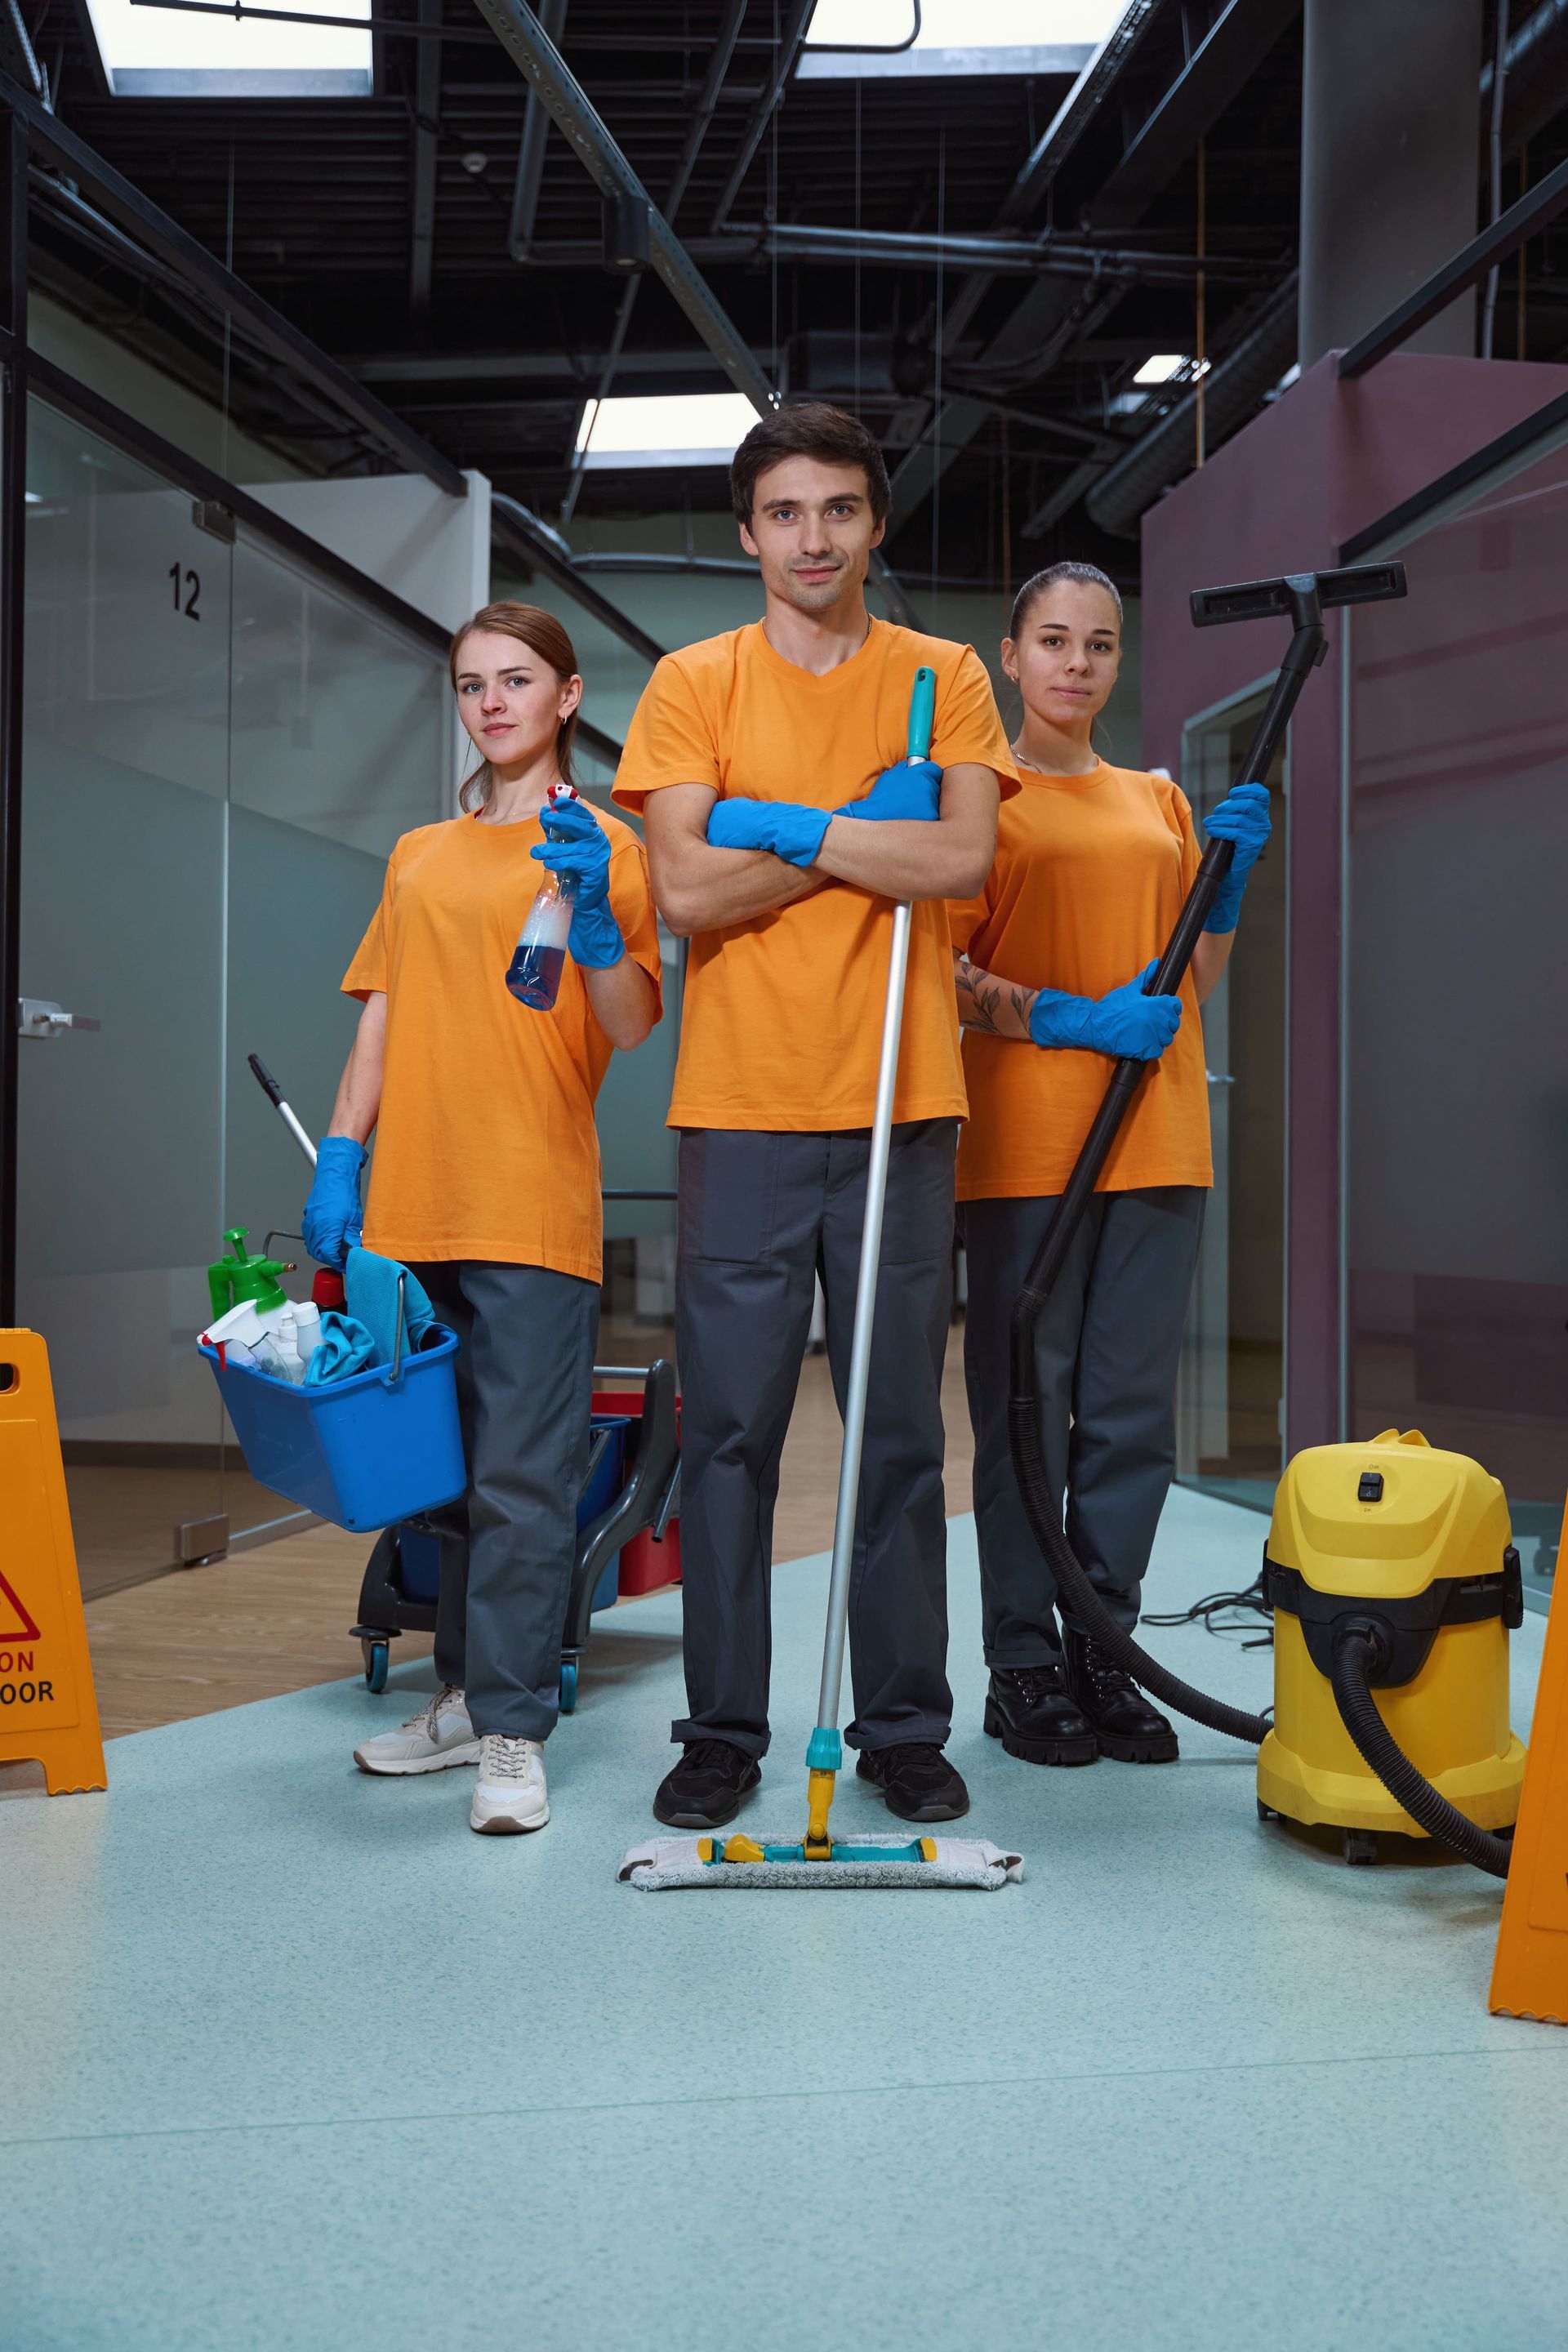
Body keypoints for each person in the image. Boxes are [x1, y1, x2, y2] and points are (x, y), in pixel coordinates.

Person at [612, 401, 1018, 1834]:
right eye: (784, 513)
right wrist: (850, 830)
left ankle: (904, 1725)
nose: (812, 539)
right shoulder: (693, 684)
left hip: (904, 1107)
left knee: (900, 1427)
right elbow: (685, 893)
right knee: (729, 1429)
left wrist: (778, 828)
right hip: (740, 1113)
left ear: (875, 524)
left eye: (838, 510)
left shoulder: (945, 674)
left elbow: (964, 852)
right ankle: (722, 1727)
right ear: (746, 533)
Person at [302, 603, 662, 1834]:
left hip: (528, 1201)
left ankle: (514, 1732)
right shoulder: (419, 853)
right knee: (438, 1482)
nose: (492, 702)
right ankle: (459, 1700)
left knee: (521, 1479)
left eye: (517, 681)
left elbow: (625, 1024)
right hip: (411, 1206)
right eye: (471, 684)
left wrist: (600, 917)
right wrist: (344, 1155)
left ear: (566, 697)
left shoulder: (607, 840)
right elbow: (384, 1014)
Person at [950, 562, 1271, 1768]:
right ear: (1011, 654)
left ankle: (1105, 1650)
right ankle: (1020, 1666)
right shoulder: (981, 800)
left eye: (1097, 644)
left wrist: (1226, 886)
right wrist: (1066, 1017)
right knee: (1026, 1411)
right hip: (1029, 1148)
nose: (1076, 664)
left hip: (1158, 1135)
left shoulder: (1157, 800)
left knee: (1131, 1420)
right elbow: (945, 979)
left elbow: (1199, 980)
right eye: (1053, 641)